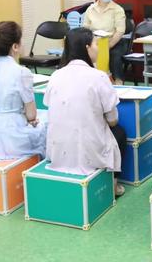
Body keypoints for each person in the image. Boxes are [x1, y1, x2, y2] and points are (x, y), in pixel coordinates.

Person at [44, 28, 126, 197]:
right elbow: (112, 120)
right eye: (96, 43)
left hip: (59, 149)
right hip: (89, 150)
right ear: (87, 48)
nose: (97, 47)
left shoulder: (55, 76)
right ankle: (114, 184)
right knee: (119, 132)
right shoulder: (99, 77)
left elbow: (49, 106)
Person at [0, 22, 46, 160]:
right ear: (15, 47)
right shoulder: (22, 72)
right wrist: (31, 120)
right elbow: (31, 115)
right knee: (46, 124)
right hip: (12, 139)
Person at [83, 0, 127, 85]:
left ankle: (118, 82)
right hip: (94, 42)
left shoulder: (117, 9)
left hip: (113, 41)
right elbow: (85, 29)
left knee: (115, 56)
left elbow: (120, 31)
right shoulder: (90, 9)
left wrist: (109, 45)